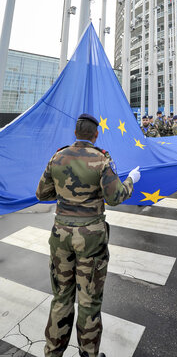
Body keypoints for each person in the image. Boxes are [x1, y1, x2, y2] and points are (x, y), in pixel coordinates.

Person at [36, 113, 141, 357]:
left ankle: (52, 353)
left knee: (61, 296)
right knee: (89, 300)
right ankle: (88, 354)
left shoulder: (58, 157)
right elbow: (115, 197)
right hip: (91, 237)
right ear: (95, 135)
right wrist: (131, 181)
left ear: (75, 133)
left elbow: (42, 193)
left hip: (61, 234)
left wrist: (65, 196)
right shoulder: (101, 160)